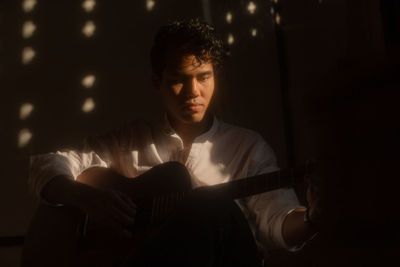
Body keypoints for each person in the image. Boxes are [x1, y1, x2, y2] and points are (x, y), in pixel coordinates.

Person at [29, 19, 319, 266]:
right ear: (157, 82)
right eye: (178, 80)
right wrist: (85, 197)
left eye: (203, 77)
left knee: (211, 204)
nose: (193, 92)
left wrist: (312, 219)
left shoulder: (247, 147)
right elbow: (48, 163)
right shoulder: (130, 140)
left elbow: (276, 220)